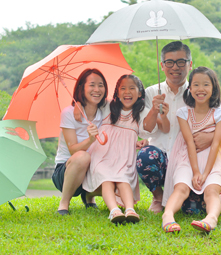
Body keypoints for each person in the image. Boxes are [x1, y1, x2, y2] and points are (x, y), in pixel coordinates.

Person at [138, 41, 221, 214]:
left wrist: (211, 137)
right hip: (161, 157)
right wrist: (153, 110)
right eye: (170, 62)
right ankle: (158, 197)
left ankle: (190, 198)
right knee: (145, 157)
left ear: (190, 64)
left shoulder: (198, 91)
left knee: (193, 211)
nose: (175, 67)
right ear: (162, 65)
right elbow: (143, 130)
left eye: (181, 62)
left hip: (188, 161)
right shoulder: (151, 93)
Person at [82, 75, 159, 224]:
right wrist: (79, 105)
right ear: (117, 92)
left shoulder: (142, 111)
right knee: (107, 179)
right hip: (103, 155)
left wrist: (155, 111)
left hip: (124, 158)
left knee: (123, 179)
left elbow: (148, 128)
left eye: (131, 88)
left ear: (140, 93)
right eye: (122, 88)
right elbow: (89, 105)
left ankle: (130, 209)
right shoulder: (107, 106)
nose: (127, 92)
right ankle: (114, 210)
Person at [161, 66, 221, 233]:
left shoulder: (220, 113)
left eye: (206, 85)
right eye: (196, 85)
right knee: (181, 187)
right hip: (187, 158)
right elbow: (190, 143)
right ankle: (168, 216)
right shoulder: (183, 113)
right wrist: (195, 171)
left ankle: (211, 219)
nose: (201, 89)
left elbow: (215, 144)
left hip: (212, 160)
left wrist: (205, 174)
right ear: (189, 89)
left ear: (213, 89)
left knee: (212, 190)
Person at [52, 68, 107, 216]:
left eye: (101, 85)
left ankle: (88, 196)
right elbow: (73, 151)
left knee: (118, 174)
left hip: (92, 170)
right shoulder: (69, 113)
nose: (97, 89)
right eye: (92, 85)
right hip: (67, 171)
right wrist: (90, 140)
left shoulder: (105, 111)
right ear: (82, 88)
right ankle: (64, 203)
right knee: (83, 156)